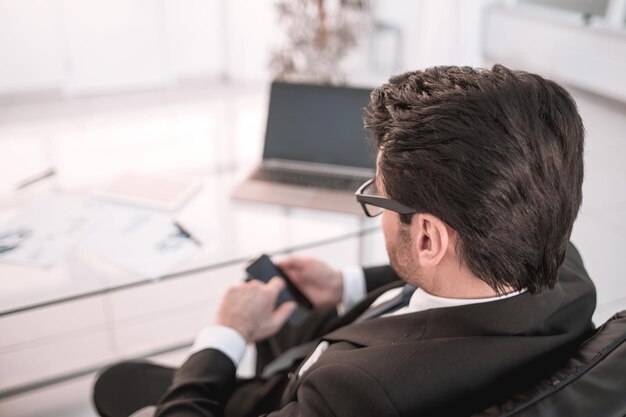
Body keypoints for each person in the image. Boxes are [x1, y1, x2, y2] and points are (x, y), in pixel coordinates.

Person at [93, 65, 596, 417]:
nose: (374, 206)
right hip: (347, 337)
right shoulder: (565, 272)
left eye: (377, 196)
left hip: (284, 392)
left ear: (427, 237)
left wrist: (226, 336)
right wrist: (347, 284)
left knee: (114, 384)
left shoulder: (356, 395)